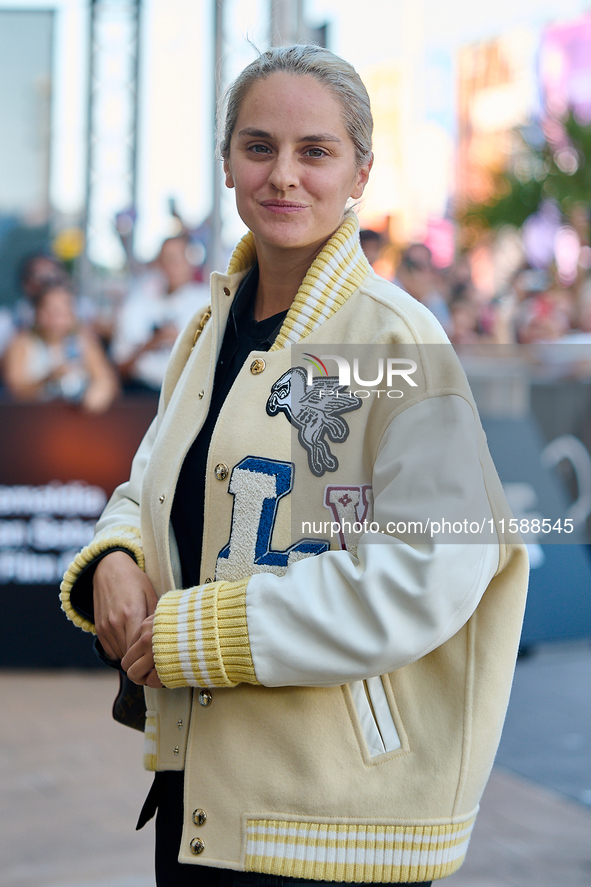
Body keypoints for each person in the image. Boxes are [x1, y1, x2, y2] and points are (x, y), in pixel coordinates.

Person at [60, 45, 528, 886]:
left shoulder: (398, 339)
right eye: (258, 146)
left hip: (335, 820)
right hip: (204, 802)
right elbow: (149, 482)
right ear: (228, 162)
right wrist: (115, 555)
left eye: (315, 151)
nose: (283, 175)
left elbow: (432, 567)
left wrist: (196, 634)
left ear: (360, 173)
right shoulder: (210, 327)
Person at [110, 234, 210, 393]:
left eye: (178, 257)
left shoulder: (208, 300)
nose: (172, 265)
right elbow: (120, 367)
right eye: (167, 258)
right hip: (140, 392)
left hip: (187, 394)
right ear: (158, 262)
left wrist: (181, 341)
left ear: (191, 262)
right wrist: (153, 343)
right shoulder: (137, 301)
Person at [4, 281, 119, 412]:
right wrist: (49, 379)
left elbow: (106, 381)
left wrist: (97, 394)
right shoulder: (21, 343)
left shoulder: (83, 341)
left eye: (64, 311)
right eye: (53, 311)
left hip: (75, 423)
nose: (59, 319)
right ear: (38, 313)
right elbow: (15, 390)